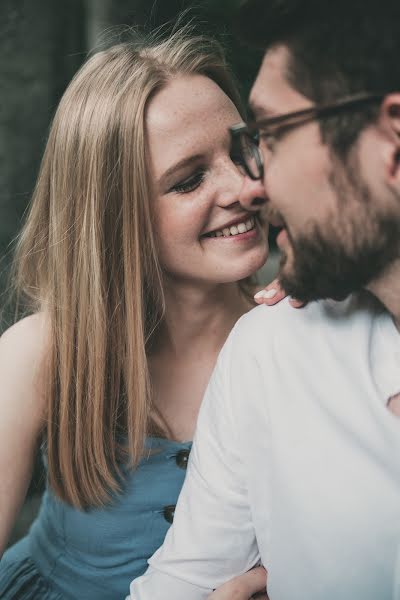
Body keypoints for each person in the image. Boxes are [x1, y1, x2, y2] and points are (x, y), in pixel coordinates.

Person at [0, 26, 284, 600]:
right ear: (113, 215)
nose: (245, 187)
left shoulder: (297, 331)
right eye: (188, 180)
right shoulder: (42, 351)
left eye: (243, 149)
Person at [129, 1, 400, 599]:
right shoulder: (269, 350)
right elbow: (179, 583)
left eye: (270, 137)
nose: (251, 186)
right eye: (187, 178)